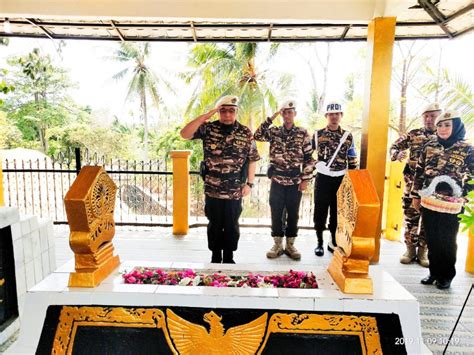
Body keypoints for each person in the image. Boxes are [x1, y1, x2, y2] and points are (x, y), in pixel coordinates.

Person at [180, 95, 260, 264]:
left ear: (236, 111)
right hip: (213, 188)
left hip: (234, 189)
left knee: (232, 224)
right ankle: (215, 256)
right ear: (218, 112)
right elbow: (184, 134)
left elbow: (252, 159)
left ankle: (229, 257)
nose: (227, 115)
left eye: (231, 111)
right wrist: (205, 117)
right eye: (223, 111)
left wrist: (249, 184)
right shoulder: (208, 129)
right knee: (214, 224)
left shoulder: (245, 133)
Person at [412, 110, 473, 289]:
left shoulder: (467, 149)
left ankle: (446, 275)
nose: (443, 128)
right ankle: (433, 271)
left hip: (452, 204)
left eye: (447, 125)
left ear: (456, 126)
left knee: (447, 239)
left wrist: (465, 196)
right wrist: (416, 195)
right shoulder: (429, 146)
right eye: (440, 125)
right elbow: (419, 172)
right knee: (431, 237)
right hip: (430, 200)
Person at [254, 99, 314, 260]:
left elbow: (309, 158)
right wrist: (271, 117)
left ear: (295, 114)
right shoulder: (274, 132)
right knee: (276, 213)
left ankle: (290, 245)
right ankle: (277, 244)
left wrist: (305, 179)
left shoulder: (302, 133)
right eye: (284, 112)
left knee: (293, 214)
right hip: (277, 180)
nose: (287, 115)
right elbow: (257, 135)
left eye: (290, 112)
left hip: (295, 181)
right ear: (282, 114)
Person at [390, 103, 441, 267]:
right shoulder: (413, 134)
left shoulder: (444, 137)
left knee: (428, 221)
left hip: (433, 188)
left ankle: (423, 252)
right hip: (412, 186)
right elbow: (394, 147)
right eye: (426, 116)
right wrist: (398, 154)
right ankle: (410, 250)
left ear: (439, 116)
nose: (429, 119)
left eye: (433, 116)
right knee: (410, 218)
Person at [312, 102, 358, 257]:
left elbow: (352, 159)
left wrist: (352, 182)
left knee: (337, 212)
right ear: (326, 116)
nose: (334, 117)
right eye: (331, 114)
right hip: (323, 178)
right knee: (320, 211)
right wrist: (316, 164)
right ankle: (319, 242)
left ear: (341, 116)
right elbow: (306, 155)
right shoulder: (317, 135)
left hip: (340, 178)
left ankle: (333, 241)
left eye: (337, 114)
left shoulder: (347, 136)